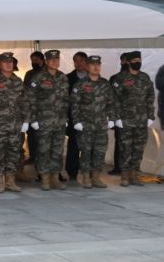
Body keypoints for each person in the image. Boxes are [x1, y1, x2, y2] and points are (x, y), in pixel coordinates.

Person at [70, 55, 118, 189]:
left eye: (98, 64)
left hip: (101, 124)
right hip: (85, 125)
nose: (96, 67)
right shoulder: (80, 84)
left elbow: (111, 103)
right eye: (92, 64)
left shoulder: (105, 84)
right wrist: (76, 121)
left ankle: (96, 177)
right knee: (86, 151)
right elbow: (74, 104)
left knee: (100, 151)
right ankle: (86, 177)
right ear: (87, 66)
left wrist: (112, 118)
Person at [0, 53, 28, 193]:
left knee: (14, 153)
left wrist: (26, 120)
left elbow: (25, 102)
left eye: (11, 62)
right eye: (5, 62)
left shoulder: (18, 81)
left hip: (15, 124)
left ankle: (10, 181)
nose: (9, 64)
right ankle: (0, 181)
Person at [25, 49, 69, 190]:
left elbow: (66, 99)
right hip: (43, 121)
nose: (55, 62)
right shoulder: (38, 77)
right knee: (43, 150)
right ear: (46, 61)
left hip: (59, 121)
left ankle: (55, 178)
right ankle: (44, 178)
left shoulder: (62, 77)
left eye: (57, 59)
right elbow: (30, 99)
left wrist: (66, 117)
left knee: (57, 151)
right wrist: (33, 119)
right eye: (52, 60)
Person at [111, 51, 155, 187]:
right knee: (125, 148)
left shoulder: (145, 77)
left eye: (139, 60)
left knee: (138, 148)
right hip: (125, 120)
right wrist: (116, 118)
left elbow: (150, 97)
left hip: (141, 120)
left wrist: (150, 116)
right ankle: (124, 175)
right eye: (135, 60)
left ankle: (134, 174)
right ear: (129, 62)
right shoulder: (120, 78)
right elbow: (114, 99)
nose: (138, 63)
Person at [65, 52, 89, 182]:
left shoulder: (93, 78)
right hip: (73, 118)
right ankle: (72, 172)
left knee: (89, 147)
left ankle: (88, 172)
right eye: (76, 61)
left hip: (90, 119)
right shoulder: (67, 78)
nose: (78, 64)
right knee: (73, 146)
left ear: (86, 62)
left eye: (81, 61)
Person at [108, 53, 130, 175]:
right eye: (124, 61)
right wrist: (112, 118)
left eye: (128, 61)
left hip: (134, 116)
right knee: (119, 143)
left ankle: (130, 169)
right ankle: (118, 167)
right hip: (119, 116)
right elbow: (110, 99)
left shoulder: (139, 78)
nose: (126, 63)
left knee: (132, 143)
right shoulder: (114, 78)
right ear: (121, 61)